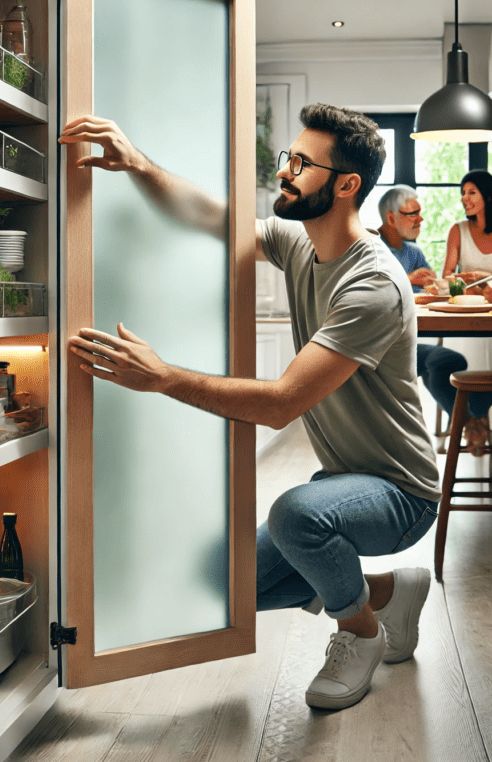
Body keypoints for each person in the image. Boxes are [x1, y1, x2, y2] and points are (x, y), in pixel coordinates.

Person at [60, 104, 441, 712]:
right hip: (344, 481)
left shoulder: (373, 284)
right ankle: (386, 591)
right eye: (289, 158)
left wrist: (163, 378)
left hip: (403, 493)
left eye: (302, 163)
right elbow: (212, 217)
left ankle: (360, 632)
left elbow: (282, 404)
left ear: (347, 185)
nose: (285, 173)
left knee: (297, 515)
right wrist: (134, 163)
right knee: (227, 579)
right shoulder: (297, 241)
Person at [377, 185, 476, 444]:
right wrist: (408, 279)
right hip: (379, 346)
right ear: (390, 218)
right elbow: (370, 291)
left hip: (409, 336)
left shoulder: (414, 251)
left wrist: (443, 284)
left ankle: (470, 423)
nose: (421, 219)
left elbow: (434, 290)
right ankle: (473, 422)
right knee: (447, 361)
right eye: (413, 213)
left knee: (441, 365)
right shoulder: (371, 249)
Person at [441, 169, 492, 454]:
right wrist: (465, 281)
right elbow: (447, 276)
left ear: (487, 195)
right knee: (462, 358)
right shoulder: (457, 230)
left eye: (471, 192)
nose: (464, 198)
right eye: (463, 192)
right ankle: (474, 417)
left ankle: (475, 417)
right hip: (468, 316)